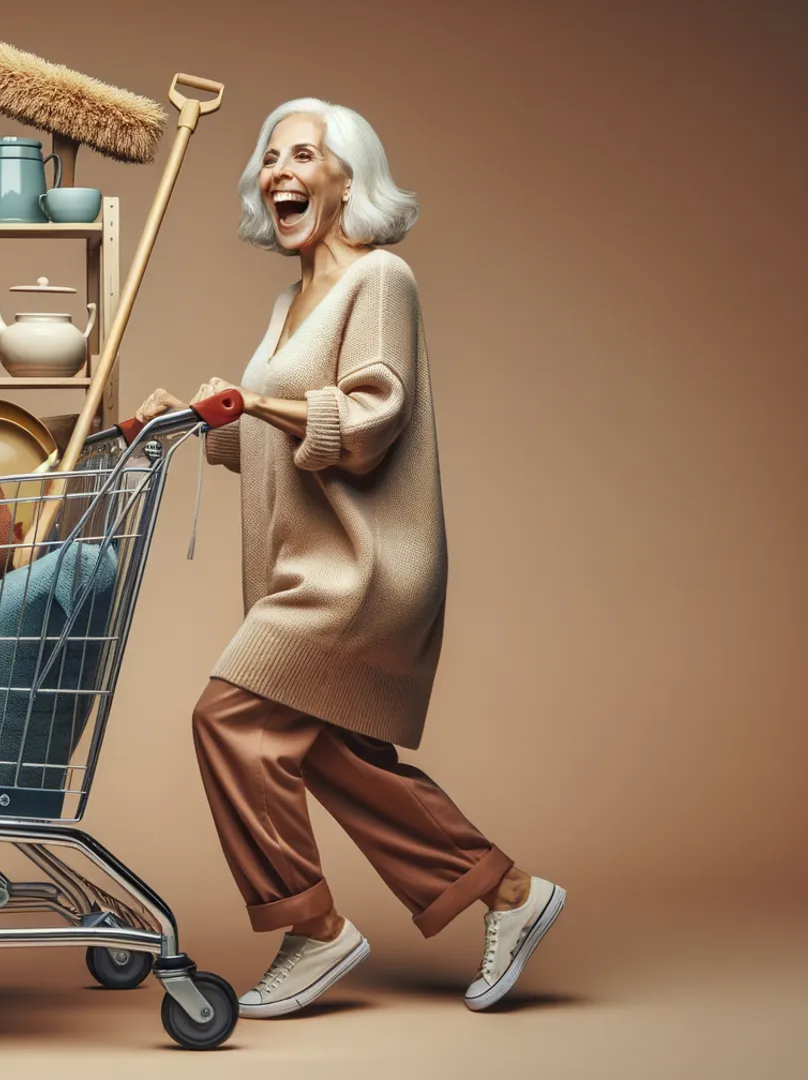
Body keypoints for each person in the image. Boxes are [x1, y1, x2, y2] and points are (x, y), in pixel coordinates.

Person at [136, 99, 565, 1018]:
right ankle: (509, 894)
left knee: (228, 718)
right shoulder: (289, 302)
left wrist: (254, 407)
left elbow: (370, 420)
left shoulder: (382, 281)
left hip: (365, 570)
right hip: (307, 566)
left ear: (346, 178)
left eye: (305, 155)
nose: (281, 171)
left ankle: (314, 928)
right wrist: (195, 420)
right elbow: (276, 444)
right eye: (270, 158)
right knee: (332, 754)